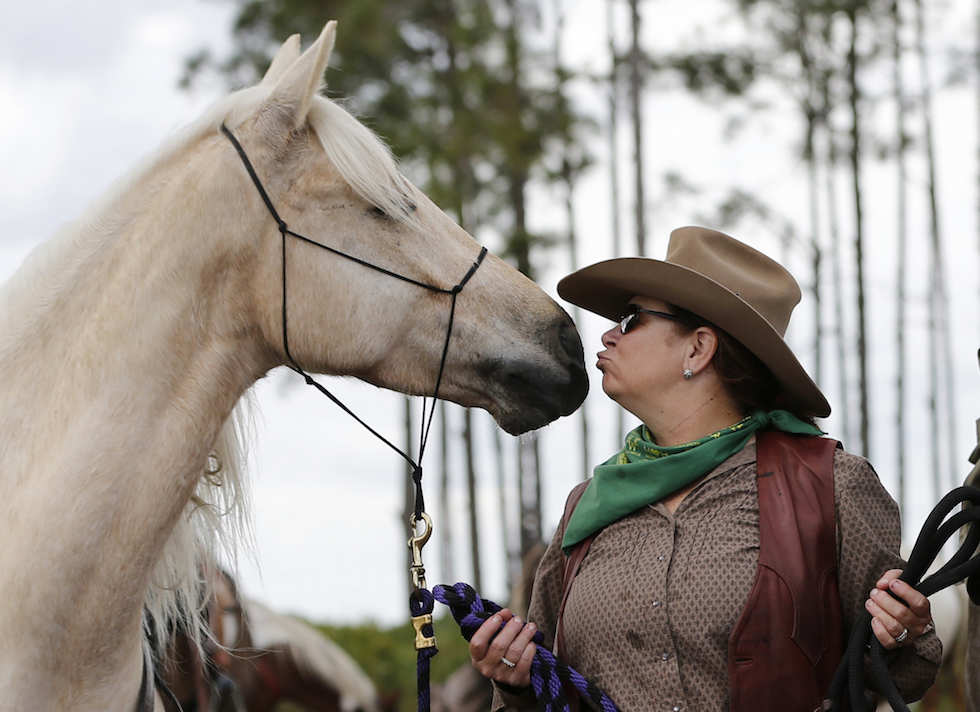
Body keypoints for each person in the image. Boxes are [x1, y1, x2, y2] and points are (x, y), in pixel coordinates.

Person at [467, 227, 942, 711]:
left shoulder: (830, 484)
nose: (609, 333)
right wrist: (517, 683)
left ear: (698, 348)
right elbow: (540, 692)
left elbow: (913, 667)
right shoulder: (586, 506)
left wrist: (898, 634)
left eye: (632, 320)